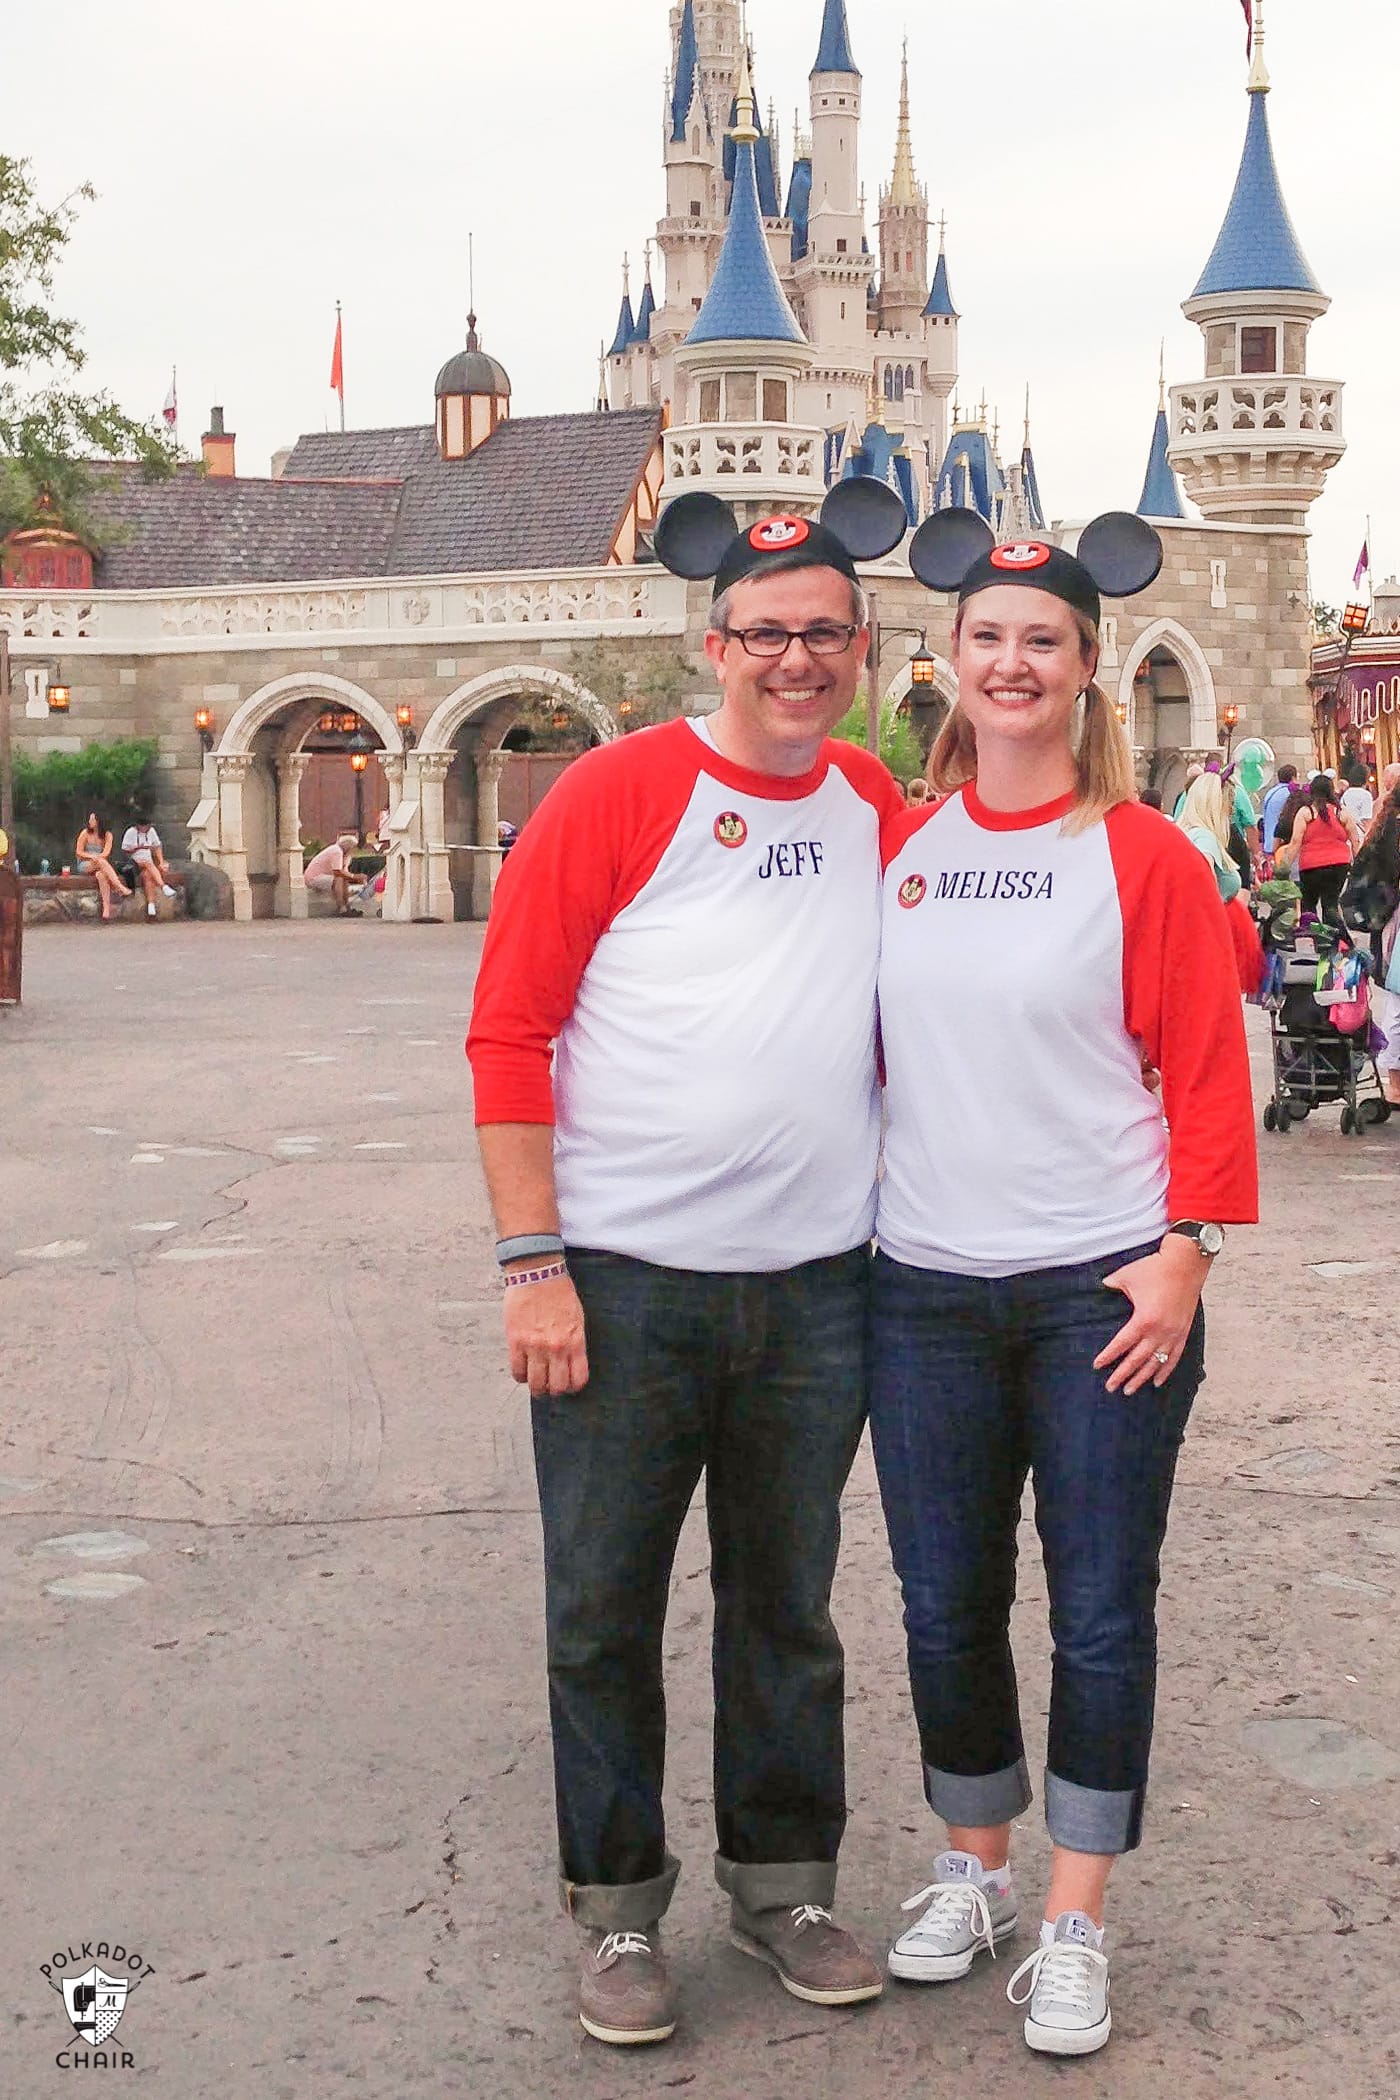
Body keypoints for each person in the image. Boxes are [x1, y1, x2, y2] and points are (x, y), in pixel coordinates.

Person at [467, 490, 908, 2049]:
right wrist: (534, 1265)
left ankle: (782, 1882)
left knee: (785, 1605)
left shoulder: (873, 799)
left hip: (815, 1286)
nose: (794, 660)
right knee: (602, 1606)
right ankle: (619, 1911)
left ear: (862, 650)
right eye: (765, 633)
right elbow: (509, 1031)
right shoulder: (616, 792)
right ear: (711, 643)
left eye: (823, 634)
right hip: (623, 1279)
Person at [873, 511, 1257, 2060]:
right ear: (951, 666)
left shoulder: (1142, 855)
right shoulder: (898, 847)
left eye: (1044, 641)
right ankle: (976, 1871)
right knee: (944, 1604)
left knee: (1099, 1612)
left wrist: (1181, 1260)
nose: (1014, 663)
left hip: (1104, 1293)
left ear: (1087, 669)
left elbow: (1206, 1073)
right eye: (989, 640)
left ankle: (1079, 1914)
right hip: (924, 1293)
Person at [1275, 773, 1360, 926]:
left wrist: (1284, 867)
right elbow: (1355, 840)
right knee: (1331, 904)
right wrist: (1358, 865)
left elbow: (1295, 842)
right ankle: (1334, 938)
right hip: (1339, 864)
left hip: (1311, 866)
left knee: (1309, 903)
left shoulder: (1306, 813)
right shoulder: (1341, 812)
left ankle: (1315, 937)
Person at [1177, 772, 1242, 900]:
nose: (1232, 810)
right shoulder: (1204, 837)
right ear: (1216, 805)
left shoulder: (1184, 833)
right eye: (1230, 803)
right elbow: (1202, 876)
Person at [75, 810, 131, 920]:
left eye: (93, 819)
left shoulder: (107, 835)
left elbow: (106, 853)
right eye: (90, 819)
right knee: (101, 862)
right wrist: (92, 857)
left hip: (100, 864)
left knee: (101, 875)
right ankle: (119, 886)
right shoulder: (85, 833)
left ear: (99, 821)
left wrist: (98, 858)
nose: (90, 821)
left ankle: (106, 911)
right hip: (85, 864)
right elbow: (78, 852)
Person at [120, 813, 176, 919]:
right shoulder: (130, 833)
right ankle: (163, 886)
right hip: (134, 863)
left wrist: (161, 861)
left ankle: (151, 906)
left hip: (147, 863)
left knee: (148, 876)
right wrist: (137, 848)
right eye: (144, 826)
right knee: (148, 863)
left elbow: (157, 846)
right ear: (138, 826)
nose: (146, 828)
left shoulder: (151, 832)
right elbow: (125, 851)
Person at [304, 833, 362, 914]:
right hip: (313, 878)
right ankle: (341, 907)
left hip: (324, 877)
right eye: (353, 847)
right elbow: (337, 872)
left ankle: (347, 906)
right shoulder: (336, 851)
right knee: (339, 878)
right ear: (348, 847)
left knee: (344, 878)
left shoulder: (345, 856)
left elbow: (345, 872)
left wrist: (354, 878)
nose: (354, 850)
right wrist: (355, 877)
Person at [1259, 763, 1298, 858]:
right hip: (1280, 843)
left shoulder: (1271, 792)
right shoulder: (1289, 793)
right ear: (1293, 778)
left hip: (1267, 842)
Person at [1339, 758, 1374, 834]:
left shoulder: (1346, 794)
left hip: (1347, 831)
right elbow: (1366, 820)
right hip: (1359, 832)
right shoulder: (1365, 795)